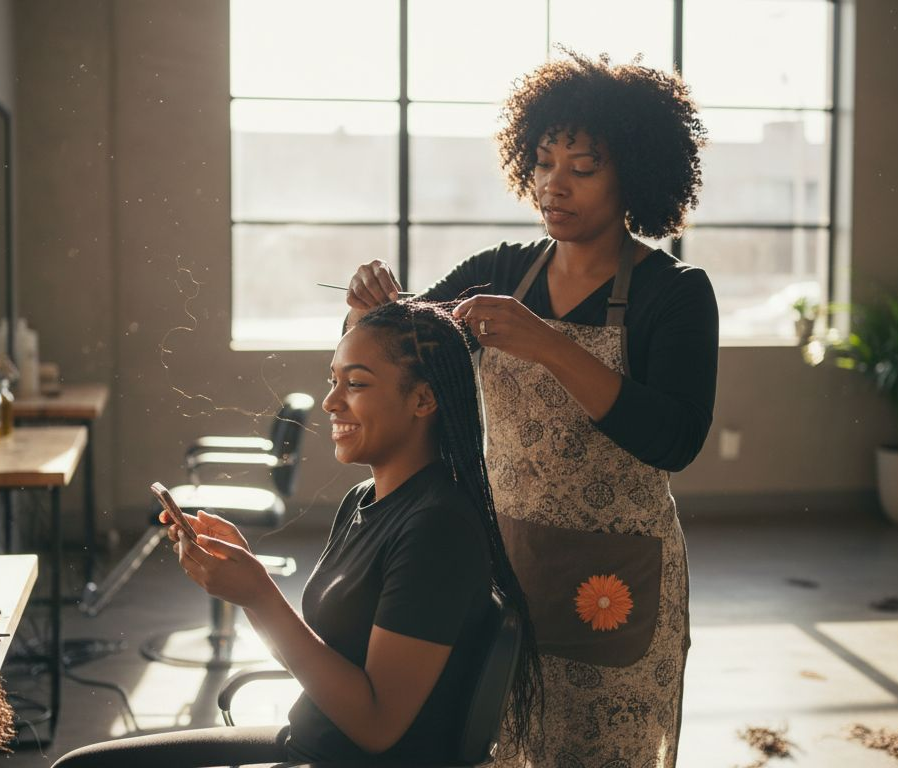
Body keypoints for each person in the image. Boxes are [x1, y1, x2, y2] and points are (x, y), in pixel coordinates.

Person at [345, 52, 717, 768]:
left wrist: (549, 345)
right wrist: (370, 312)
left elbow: (674, 438)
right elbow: (407, 354)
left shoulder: (676, 293)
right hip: (502, 562)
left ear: (634, 173)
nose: (554, 185)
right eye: (544, 163)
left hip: (617, 579)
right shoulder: (503, 270)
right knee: (500, 742)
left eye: (583, 167)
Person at [51, 301, 540, 768]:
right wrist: (243, 580)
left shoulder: (438, 529)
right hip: (307, 742)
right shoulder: (363, 501)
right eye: (333, 381)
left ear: (423, 398)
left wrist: (260, 596)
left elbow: (377, 727)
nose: (331, 401)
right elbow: (323, 658)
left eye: (356, 384)